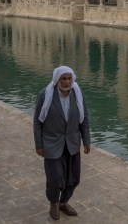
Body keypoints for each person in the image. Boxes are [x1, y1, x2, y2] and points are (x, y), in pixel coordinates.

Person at [33, 66, 91, 220]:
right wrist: (38, 144)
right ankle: (54, 203)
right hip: (52, 143)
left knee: (73, 178)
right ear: (57, 80)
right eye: (63, 79)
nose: (66, 82)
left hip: (72, 143)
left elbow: (84, 118)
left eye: (69, 78)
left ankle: (63, 202)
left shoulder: (77, 94)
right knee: (55, 179)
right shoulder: (45, 95)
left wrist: (86, 140)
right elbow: (37, 122)